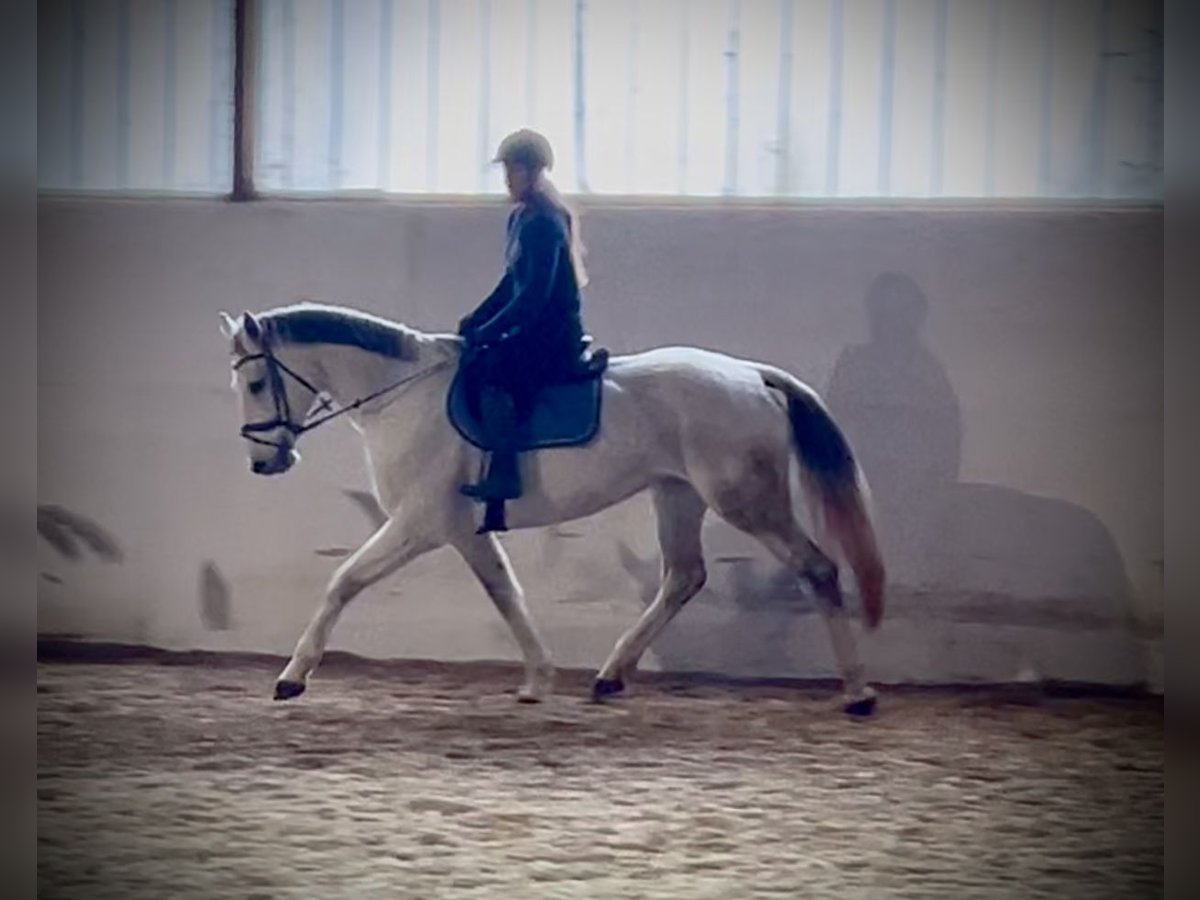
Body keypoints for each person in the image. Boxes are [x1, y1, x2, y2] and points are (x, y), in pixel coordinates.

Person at [457, 128, 598, 533]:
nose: (507, 179)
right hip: (533, 328)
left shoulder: (545, 224)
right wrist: (476, 319)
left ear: (533, 172)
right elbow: (510, 284)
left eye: (513, 170)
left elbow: (534, 296)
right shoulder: (520, 219)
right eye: (505, 170)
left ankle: (505, 473)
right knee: (477, 356)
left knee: (495, 373)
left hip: (551, 335)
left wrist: (492, 333)